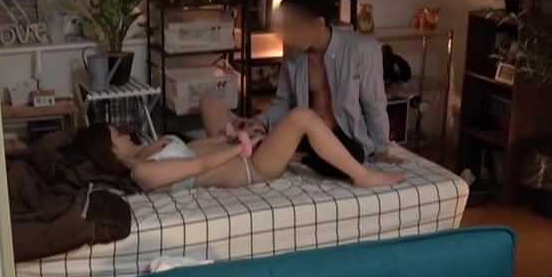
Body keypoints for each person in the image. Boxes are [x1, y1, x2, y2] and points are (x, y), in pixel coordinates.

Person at [222, 0, 400, 178]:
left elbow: (374, 104)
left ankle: (300, 159)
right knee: (261, 142)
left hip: (344, 138)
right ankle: (298, 155)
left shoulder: (361, 49)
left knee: (354, 155)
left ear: (319, 24)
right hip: (306, 135)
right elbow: (284, 102)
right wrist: (260, 121)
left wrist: (381, 149)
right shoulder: (293, 55)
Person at [74, 96, 404, 193]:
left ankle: (278, 138)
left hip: (240, 153)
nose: (122, 132)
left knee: (208, 102)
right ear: (108, 149)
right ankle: (362, 175)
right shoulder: (143, 172)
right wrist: (243, 146)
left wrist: (227, 136)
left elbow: (195, 150)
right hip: (251, 168)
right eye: (114, 134)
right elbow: (199, 166)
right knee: (302, 116)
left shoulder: (148, 147)